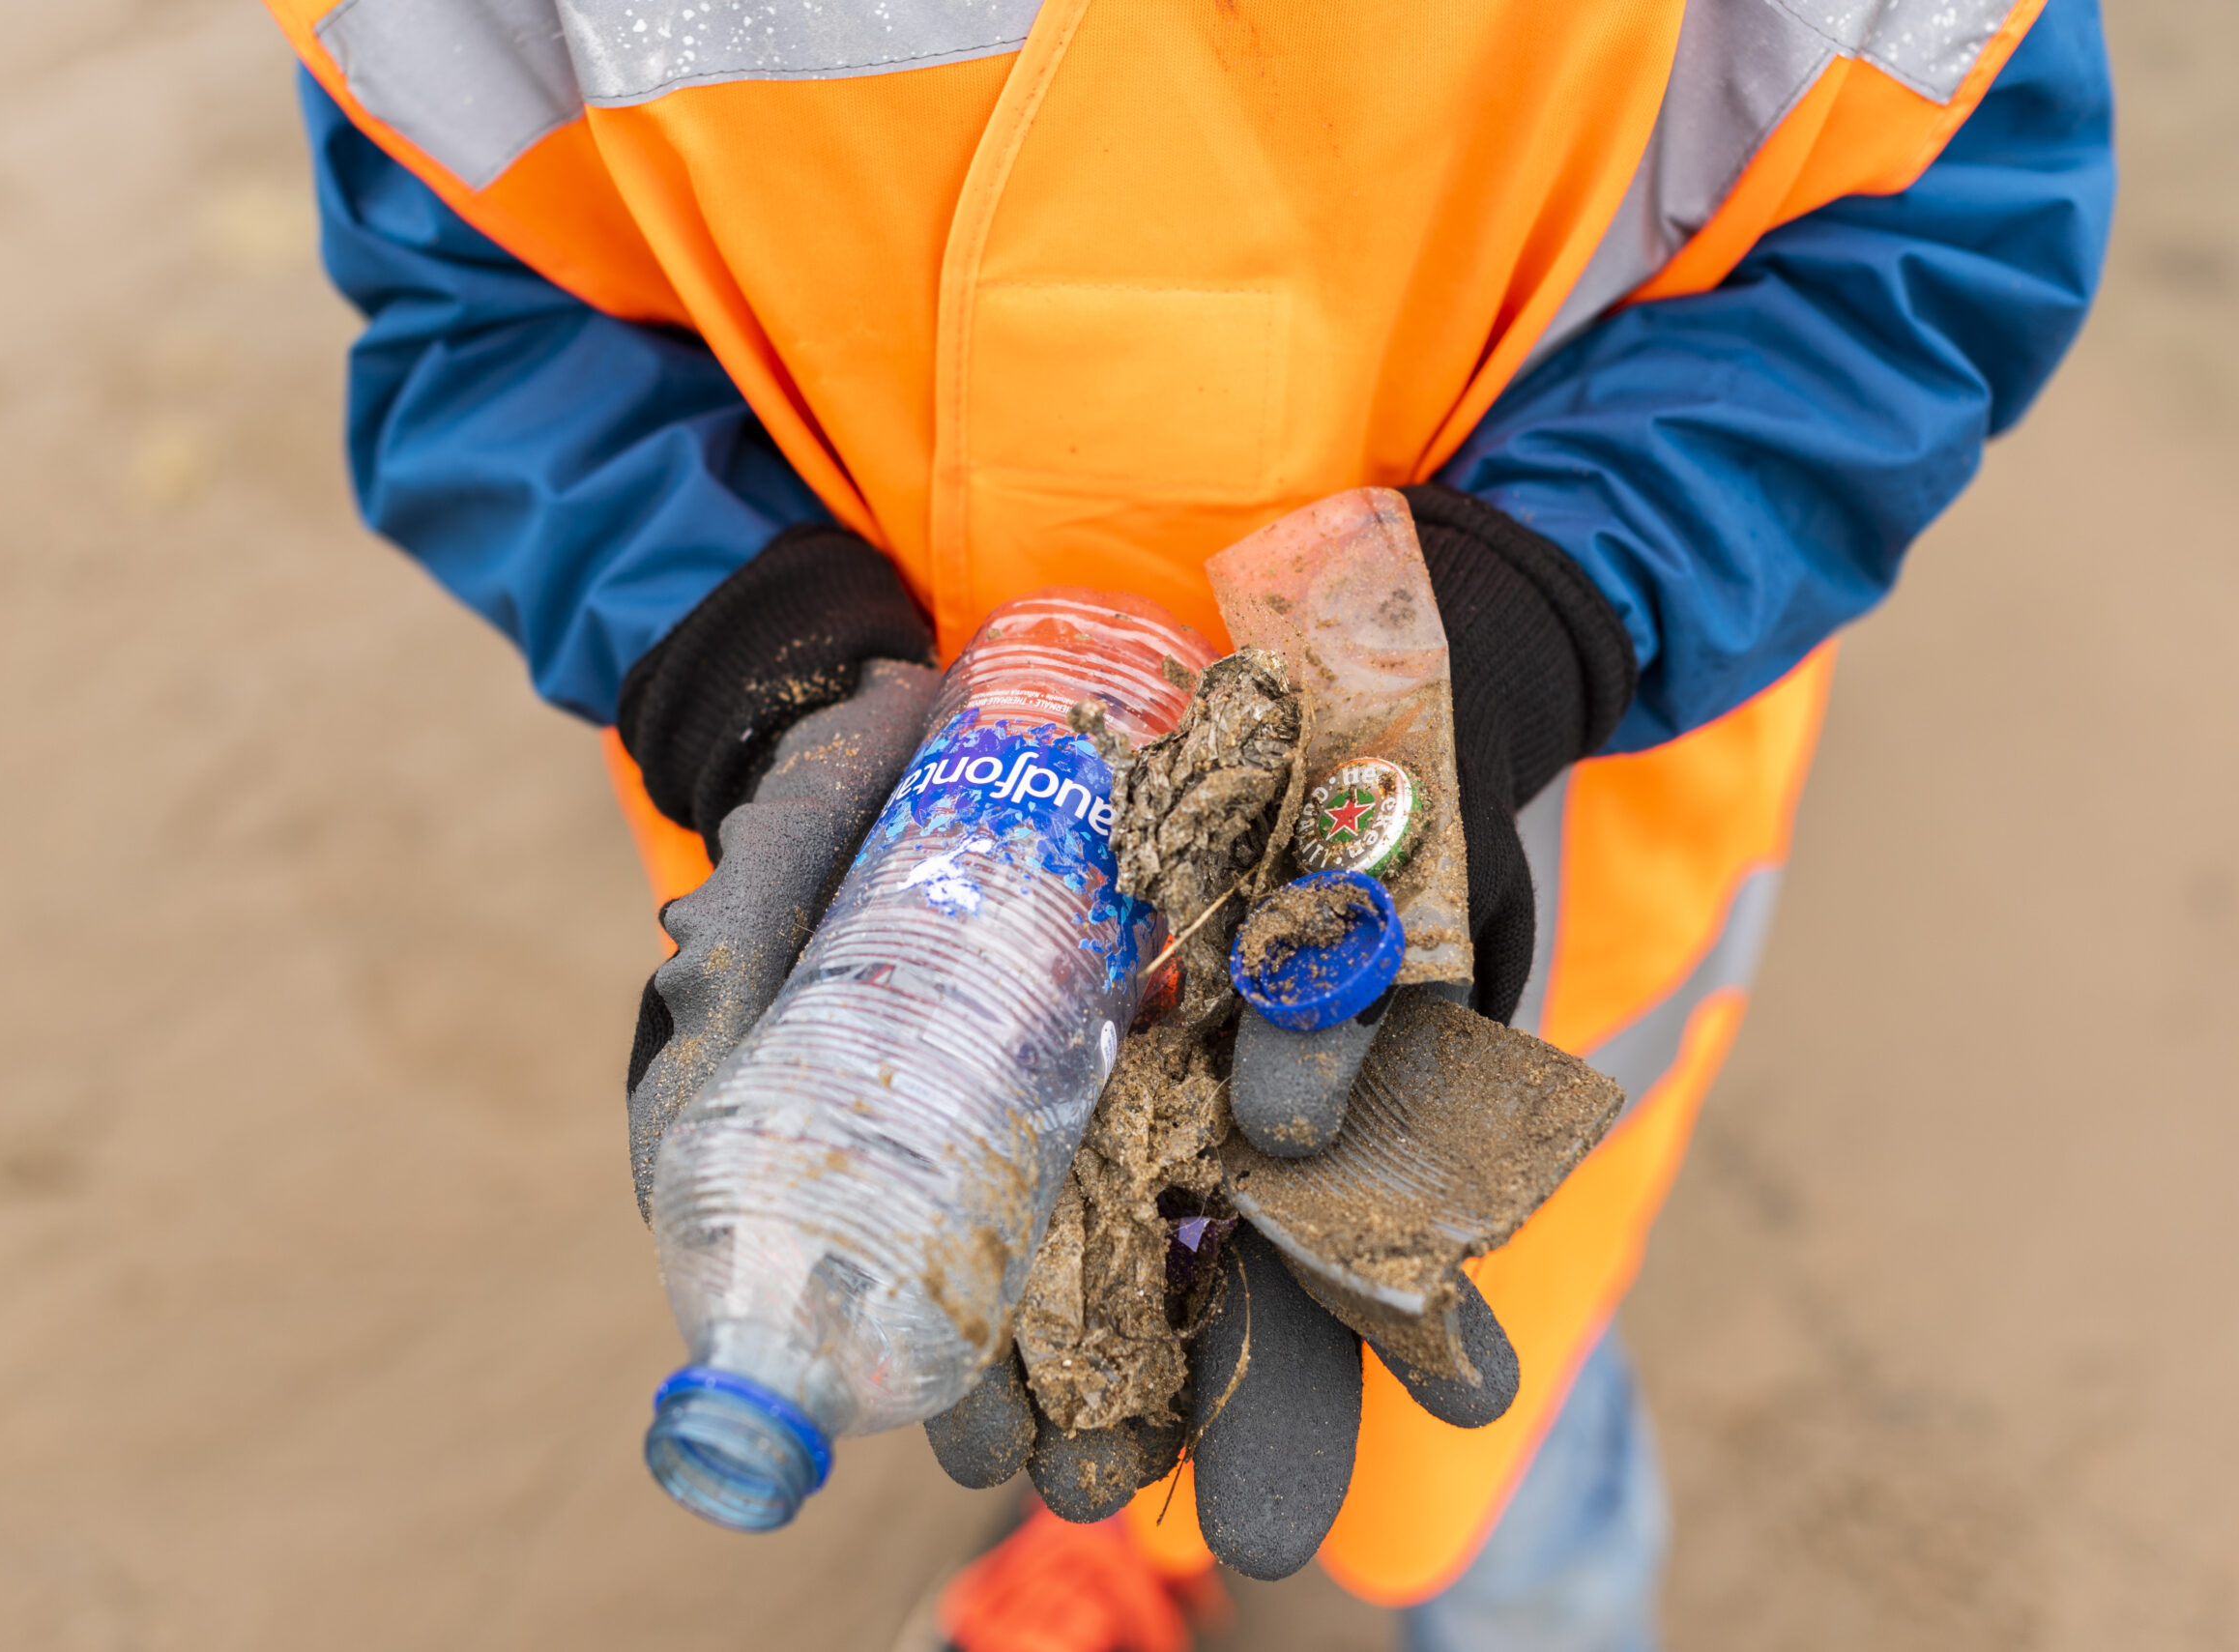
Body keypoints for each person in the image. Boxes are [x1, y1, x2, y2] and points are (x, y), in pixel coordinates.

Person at [268, 0, 2112, 1641]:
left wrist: (1543, 607)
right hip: (899, 860)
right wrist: (738, 649)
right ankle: (1129, 1553)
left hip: (1490, 831)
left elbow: (1936, 215)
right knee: (1036, 1278)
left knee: (1489, 1383)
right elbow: (479, 302)